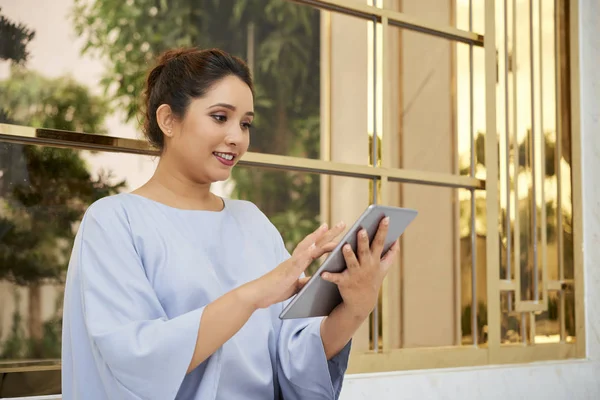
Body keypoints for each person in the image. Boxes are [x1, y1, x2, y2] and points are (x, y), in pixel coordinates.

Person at [61, 47, 400, 400]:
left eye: (245, 123)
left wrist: (357, 305)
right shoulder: (115, 222)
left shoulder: (251, 221)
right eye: (220, 117)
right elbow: (134, 359)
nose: (237, 137)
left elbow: (294, 358)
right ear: (168, 120)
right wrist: (253, 295)